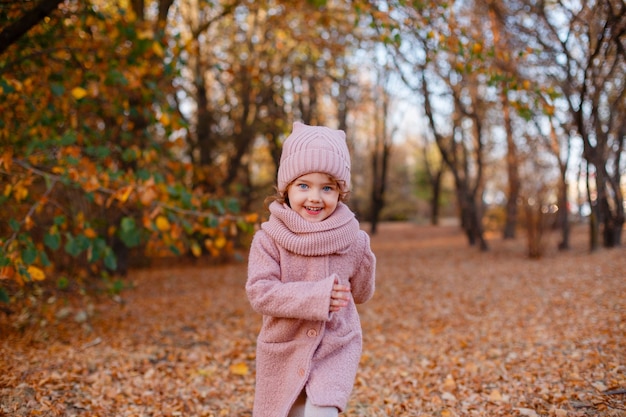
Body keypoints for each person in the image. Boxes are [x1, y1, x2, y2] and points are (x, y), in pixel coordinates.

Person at [246, 122, 376, 417]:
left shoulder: (350, 238)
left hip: (335, 345)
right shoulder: (269, 238)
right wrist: (316, 297)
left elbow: (362, 293)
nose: (315, 197)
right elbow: (260, 293)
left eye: (327, 187)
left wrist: (365, 256)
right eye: (304, 185)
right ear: (286, 188)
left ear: (340, 193)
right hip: (285, 347)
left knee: (321, 412)